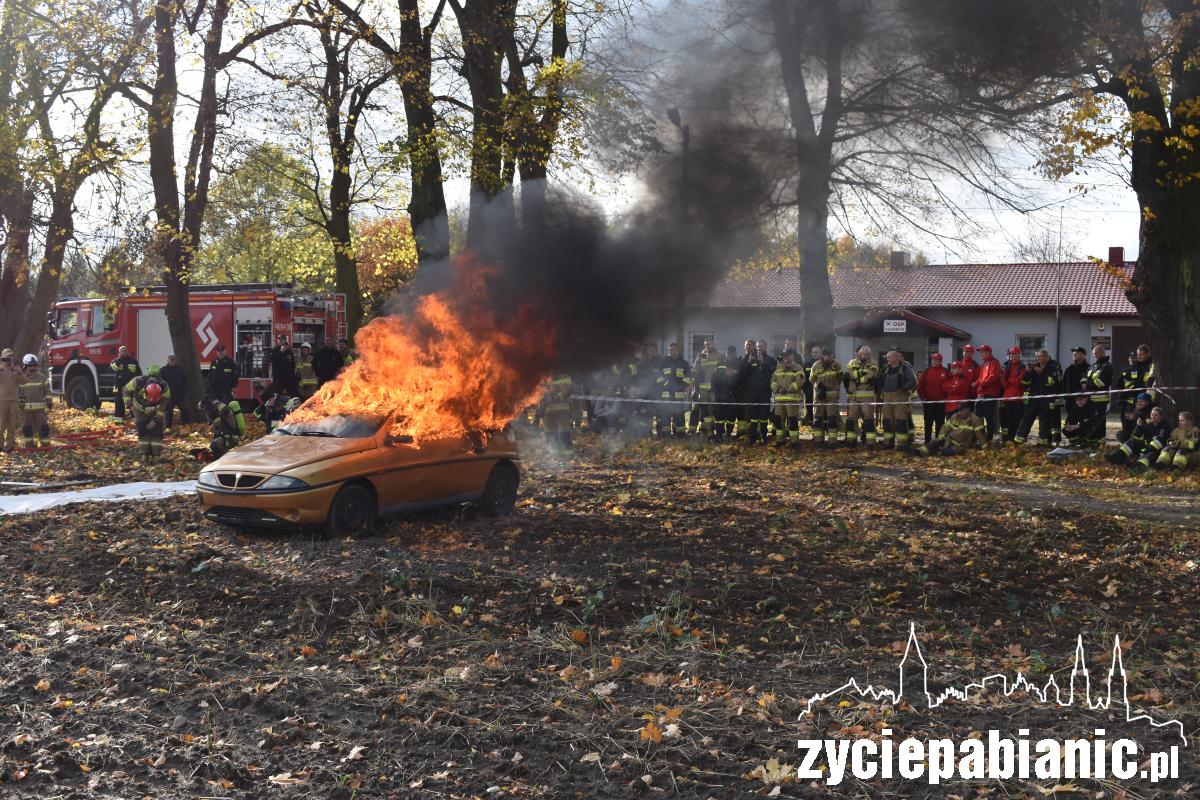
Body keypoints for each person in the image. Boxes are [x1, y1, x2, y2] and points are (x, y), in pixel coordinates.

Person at [1014, 348, 1062, 445]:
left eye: (1041, 356)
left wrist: (1041, 373)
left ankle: (1043, 443)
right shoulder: (1034, 367)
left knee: (1044, 422)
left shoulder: (1053, 368)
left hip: (1046, 399)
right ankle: (1019, 441)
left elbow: (1053, 382)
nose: (1039, 358)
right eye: (1038, 356)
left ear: (1047, 357)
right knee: (1026, 419)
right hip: (1033, 398)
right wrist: (1027, 372)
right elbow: (1025, 382)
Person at [1106, 406, 1171, 472]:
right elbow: (1137, 435)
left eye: (1156, 415)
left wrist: (1144, 451)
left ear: (1161, 417)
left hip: (1156, 451)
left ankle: (1136, 466)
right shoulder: (1149, 425)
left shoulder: (1165, 427)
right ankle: (1116, 458)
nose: (1153, 416)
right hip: (1146, 448)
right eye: (1152, 414)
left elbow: (1159, 442)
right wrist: (1139, 426)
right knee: (1133, 441)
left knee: (1150, 455)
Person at [878, 349, 917, 447]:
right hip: (887, 397)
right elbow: (879, 380)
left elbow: (913, 381)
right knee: (887, 420)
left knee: (900, 421)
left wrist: (904, 388)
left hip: (900, 397)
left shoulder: (905, 369)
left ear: (896, 358)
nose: (887, 359)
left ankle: (901, 444)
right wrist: (881, 390)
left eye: (889, 357)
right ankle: (888, 442)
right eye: (887, 357)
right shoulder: (885, 368)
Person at [914, 405, 987, 456]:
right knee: (934, 443)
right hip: (948, 440)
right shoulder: (955, 417)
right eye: (959, 410)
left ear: (967, 410)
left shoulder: (975, 420)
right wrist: (941, 437)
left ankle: (936, 452)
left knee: (946, 453)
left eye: (962, 411)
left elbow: (980, 435)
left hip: (961, 446)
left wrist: (985, 448)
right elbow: (945, 427)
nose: (959, 413)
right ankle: (918, 451)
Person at [1117, 344, 1156, 438]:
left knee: (1138, 425)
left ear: (1148, 354)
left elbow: (1150, 383)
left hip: (1144, 400)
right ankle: (1127, 444)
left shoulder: (1152, 365)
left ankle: (1136, 444)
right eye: (1138, 354)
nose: (1138, 356)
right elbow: (1127, 381)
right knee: (1125, 426)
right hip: (1131, 400)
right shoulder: (1135, 366)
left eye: (1141, 354)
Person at [129, 373, 168, 462]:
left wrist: (155, 420)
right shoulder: (137, 383)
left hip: (156, 412)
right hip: (140, 411)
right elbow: (126, 392)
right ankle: (144, 454)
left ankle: (156, 456)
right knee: (143, 433)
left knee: (157, 434)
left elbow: (163, 407)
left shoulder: (165, 389)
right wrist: (129, 405)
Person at [844, 346, 879, 445]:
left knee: (868, 419)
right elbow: (848, 373)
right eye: (865, 354)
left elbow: (871, 375)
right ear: (859, 354)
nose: (867, 356)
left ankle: (870, 441)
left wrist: (856, 380)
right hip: (853, 398)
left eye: (869, 354)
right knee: (852, 419)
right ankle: (851, 440)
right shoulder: (852, 362)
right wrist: (853, 380)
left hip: (867, 397)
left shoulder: (873, 363)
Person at [770, 350, 806, 447]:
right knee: (778, 421)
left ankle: (794, 441)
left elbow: (800, 381)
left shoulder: (798, 368)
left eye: (787, 356)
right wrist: (777, 388)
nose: (785, 358)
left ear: (792, 356)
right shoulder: (778, 368)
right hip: (779, 401)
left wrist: (787, 389)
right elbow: (772, 382)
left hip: (792, 400)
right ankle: (780, 440)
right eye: (784, 356)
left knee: (793, 421)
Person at [655, 342, 691, 437]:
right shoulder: (664, 362)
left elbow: (688, 378)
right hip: (666, 394)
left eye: (673, 350)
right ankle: (665, 435)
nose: (671, 352)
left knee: (679, 416)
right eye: (670, 350)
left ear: (678, 350)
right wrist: (667, 384)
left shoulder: (684, 364)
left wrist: (681, 387)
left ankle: (680, 435)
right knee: (666, 415)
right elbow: (658, 376)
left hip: (679, 394)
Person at [809, 347, 844, 445]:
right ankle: (818, 440)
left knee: (832, 419)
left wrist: (833, 386)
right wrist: (818, 386)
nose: (829, 357)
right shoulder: (816, 365)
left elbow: (840, 378)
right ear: (822, 356)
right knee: (818, 418)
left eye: (831, 355)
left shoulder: (837, 365)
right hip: (819, 396)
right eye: (827, 355)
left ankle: (832, 441)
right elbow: (812, 379)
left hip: (832, 397)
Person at [692, 338, 724, 438]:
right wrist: (697, 359)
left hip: (714, 388)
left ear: (714, 344)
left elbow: (723, 370)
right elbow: (696, 371)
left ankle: (716, 429)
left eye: (709, 344)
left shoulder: (720, 355)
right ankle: (708, 430)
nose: (707, 346)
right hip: (703, 389)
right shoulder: (701, 356)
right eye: (706, 345)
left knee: (714, 410)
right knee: (705, 410)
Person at [18, 354, 51, 448]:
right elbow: (19, 393)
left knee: (43, 427)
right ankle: (29, 445)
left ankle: (45, 444)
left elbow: (47, 391)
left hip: (39, 409)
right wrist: (21, 407)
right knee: (27, 427)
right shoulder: (21, 378)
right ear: (25, 366)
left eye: (35, 365)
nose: (33, 367)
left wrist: (49, 401)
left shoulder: (42, 377)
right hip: (25, 410)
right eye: (30, 366)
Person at [973, 345, 1004, 441]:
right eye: (980, 352)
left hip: (990, 394)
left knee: (989, 416)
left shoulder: (995, 363)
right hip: (981, 394)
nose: (980, 354)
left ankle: (989, 437)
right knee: (977, 415)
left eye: (982, 352)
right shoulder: (984, 364)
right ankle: (980, 436)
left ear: (988, 353)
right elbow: (981, 377)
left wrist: (981, 384)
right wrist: (976, 383)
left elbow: (993, 376)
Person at [917, 353, 949, 443]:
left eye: (936, 360)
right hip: (928, 402)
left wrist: (946, 398)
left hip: (941, 403)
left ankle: (938, 442)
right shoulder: (927, 371)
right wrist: (922, 397)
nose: (933, 362)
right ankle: (927, 442)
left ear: (940, 361)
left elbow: (949, 385)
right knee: (928, 423)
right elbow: (921, 386)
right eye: (933, 360)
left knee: (940, 424)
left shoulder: (945, 371)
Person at [1083, 345, 1114, 435]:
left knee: (1099, 421)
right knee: (1090, 420)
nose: (1094, 355)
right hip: (1089, 399)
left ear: (1102, 353)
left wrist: (1087, 385)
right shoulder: (1093, 366)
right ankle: (1092, 439)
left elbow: (1101, 382)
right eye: (1093, 354)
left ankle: (1100, 440)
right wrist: (1084, 383)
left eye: (1096, 353)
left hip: (1100, 400)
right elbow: (1084, 377)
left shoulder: (1107, 366)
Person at [539, 374, 574, 448]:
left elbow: (569, 388)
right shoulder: (542, 374)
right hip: (548, 412)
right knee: (551, 433)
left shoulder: (563, 375)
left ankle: (568, 455)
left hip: (562, 411)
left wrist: (559, 395)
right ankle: (554, 454)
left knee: (564, 432)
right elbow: (539, 392)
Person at [1000, 347, 1027, 442]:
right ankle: (1009, 440)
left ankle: (1015, 439)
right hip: (1007, 398)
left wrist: (1010, 380)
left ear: (1019, 355)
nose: (1013, 356)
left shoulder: (1022, 366)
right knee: (1008, 420)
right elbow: (1003, 382)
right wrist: (1012, 380)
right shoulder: (1007, 366)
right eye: (1011, 354)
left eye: (1015, 354)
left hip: (1018, 398)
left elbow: (1019, 382)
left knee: (1017, 420)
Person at [158, 354, 189, 431]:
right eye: (171, 359)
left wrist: (183, 392)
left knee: (185, 409)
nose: (172, 361)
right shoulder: (163, 370)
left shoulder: (180, 370)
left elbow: (185, 382)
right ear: (167, 360)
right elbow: (160, 383)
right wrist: (163, 394)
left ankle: (185, 425)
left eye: (174, 359)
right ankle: (168, 427)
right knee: (168, 411)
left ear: (176, 360)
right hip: (168, 396)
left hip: (180, 396)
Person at [109, 345, 141, 419]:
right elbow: (111, 370)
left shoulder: (133, 361)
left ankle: (134, 420)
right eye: (122, 350)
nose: (124, 352)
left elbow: (139, 374)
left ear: (127, 351)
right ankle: (119, 421)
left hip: (131, 386)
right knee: (119, 404)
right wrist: (119, 360)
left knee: (133, 403)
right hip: (119, 387)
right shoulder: (115, 361)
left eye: (125, 350)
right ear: (119, 352)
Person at [755, 339, 777, 440]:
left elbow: (771, 374)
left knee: (764, 414)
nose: (759, 348)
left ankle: (764, 435)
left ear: (766, 347)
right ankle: (755, 435)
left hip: (765, 391)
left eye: (761, 346)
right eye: (758, 346)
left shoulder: (771, 360)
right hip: (754, 391)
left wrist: (763, 364)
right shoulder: (752, 359)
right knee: (754, 416)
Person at [0, 348, 20, 451]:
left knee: (12, 425)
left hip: (14, 401)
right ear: (3, 357)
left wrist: (18, 371)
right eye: (7, 357)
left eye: (11, 356)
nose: (9, 358)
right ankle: (0, 445)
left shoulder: (16, 369)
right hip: (2, 401)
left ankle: (10, 445)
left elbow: (24, 381)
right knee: (1, 425)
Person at [803, 344, 821, 426]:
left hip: (821, 392)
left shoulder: (824, 364)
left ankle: (822, 428)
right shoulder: (807, 365)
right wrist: (806, 391)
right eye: (813, 352)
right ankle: (812, 428)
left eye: (817, 352)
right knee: (810, 410)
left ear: (820, 353)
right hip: (809, 393)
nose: (815, 354)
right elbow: (804, 379)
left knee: (821, 411)